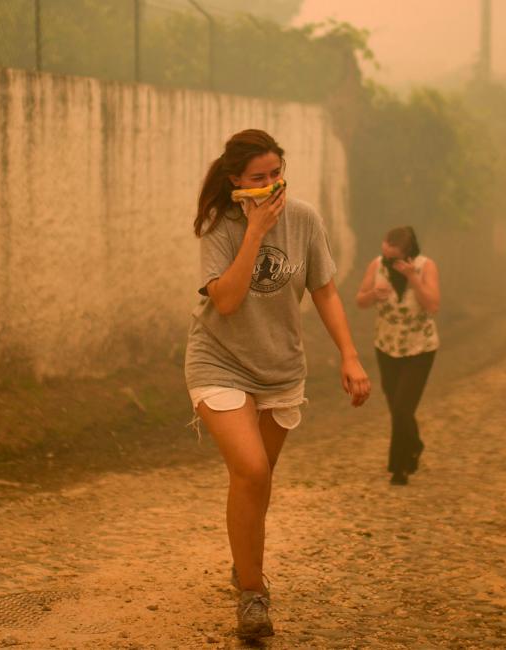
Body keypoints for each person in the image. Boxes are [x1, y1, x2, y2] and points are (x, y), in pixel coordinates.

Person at [184, 129, 371, 640]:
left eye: (276, 175)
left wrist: (349, 357)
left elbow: (325, 290)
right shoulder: (219, 225)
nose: (270, 187)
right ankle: (252, 594)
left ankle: (243, 564)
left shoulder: (306, 218)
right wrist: (254, 233)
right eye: (258, 179)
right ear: (235, 182)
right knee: (250, 469)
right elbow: (225, 300)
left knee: (259, 481)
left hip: (280, 369)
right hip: (219, 360)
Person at [354, 226, 440, 486]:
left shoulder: (426, 267)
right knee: (396, 407)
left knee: (403, 407)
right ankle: (414, 445)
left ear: (408, 254)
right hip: (387, 345)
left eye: (394, 258)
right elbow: (360, 300)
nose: (388, 262)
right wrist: (372, 295)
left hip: (420, 348)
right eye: (385, 255)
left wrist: (413, 278)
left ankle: (399, 468)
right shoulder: (376, 266)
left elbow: (433, 305)